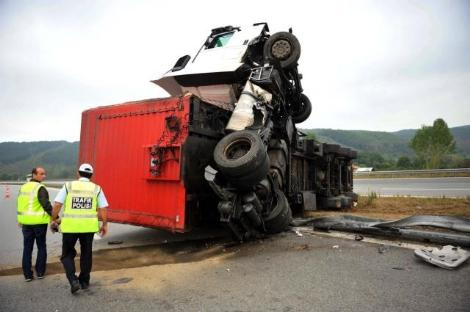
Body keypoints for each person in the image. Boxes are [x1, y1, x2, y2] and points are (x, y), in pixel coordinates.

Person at [51, 163, 109, 294]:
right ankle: (84, 282)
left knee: (67, 255)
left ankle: (73, 280)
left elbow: (57, 205)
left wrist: (53, 220)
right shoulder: (96, 188)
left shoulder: (68, 186)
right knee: (86, 254)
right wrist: (104, 224)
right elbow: (103, 208)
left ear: (78, 173)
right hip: (88, 228)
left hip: (70, 227)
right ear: (91, 175)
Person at [17, 167, 53, 281]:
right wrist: (55, 217)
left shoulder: (23, 187)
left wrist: (20, 220)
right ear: (34, 174)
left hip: (26, 223)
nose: (44, 176)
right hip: (39, 223)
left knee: (27, 248)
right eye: (41, 174)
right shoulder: (40, 188)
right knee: (41, 247)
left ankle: (27, 275)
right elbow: (46, 205)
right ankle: (40, 272)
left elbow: (19, 204)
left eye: (44, 174)